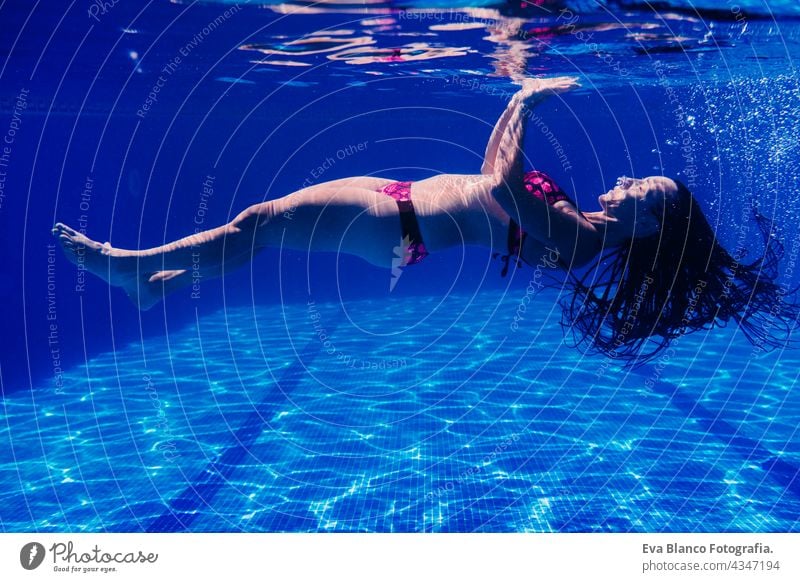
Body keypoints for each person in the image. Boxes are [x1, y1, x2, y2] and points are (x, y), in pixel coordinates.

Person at [53, 77, 797, 361]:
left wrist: (523, 100)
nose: (630, 179)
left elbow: (503, 181)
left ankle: (129, 269)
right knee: (263, 225)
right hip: (402, 204)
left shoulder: (583, 236)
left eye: (647, 191)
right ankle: (149, 284)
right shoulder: (583, 226)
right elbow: (489, 179)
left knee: (259, 223)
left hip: (395, 222)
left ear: (650, 227)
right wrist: (515, 109)